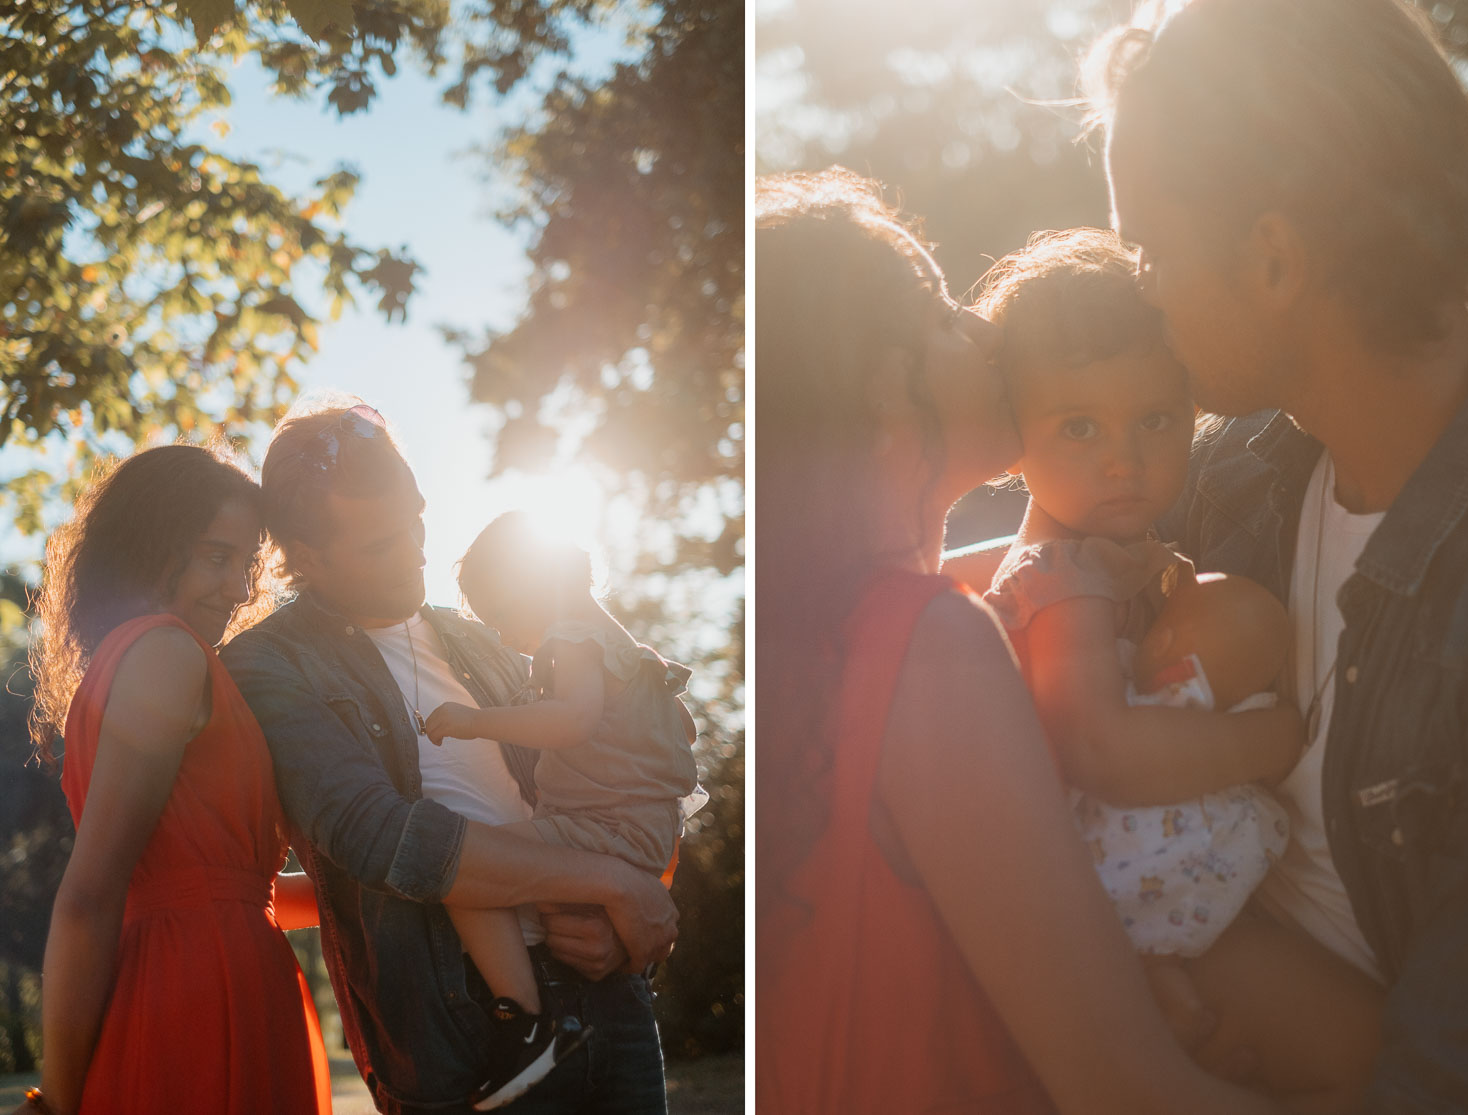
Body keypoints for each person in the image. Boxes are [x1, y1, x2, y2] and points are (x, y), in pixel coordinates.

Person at [755, 166, 1283, 1113]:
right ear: (880, 389)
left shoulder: (861, 622)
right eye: (944, 311)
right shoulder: (929, 644)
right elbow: (1127, 1089)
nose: (986, 330)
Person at [1089, 0, 1468, 1107]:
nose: (1144, 288)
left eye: (1152, 248)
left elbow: (1454, 1075)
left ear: (1273, 257)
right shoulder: (1239, 474)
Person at [978, 228, 1383, 1111]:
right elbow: (1098, 747)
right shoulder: (1064, 578)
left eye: (1154, 419)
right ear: (1014, 439)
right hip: (1131, 902)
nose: (1124, 457)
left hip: (1155, 895)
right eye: (1079, 426)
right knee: (1366, 1054)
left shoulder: (1108, 552)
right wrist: (1262, 740)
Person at [219, 401, 677, 1115]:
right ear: (306, 556)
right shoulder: (268, 665)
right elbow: (382, 836)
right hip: (458, 1038)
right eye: (381, 543)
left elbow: (603, 777)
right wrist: (614, 884)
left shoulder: (486, 636)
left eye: (417, 519)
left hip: (606, 997)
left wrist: (619, 922)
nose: (415, 550)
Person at [18, 444, 330, 1115]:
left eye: (245, 563)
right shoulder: (164, 653)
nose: (240, 587)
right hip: (195, 992)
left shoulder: (152, 658)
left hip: (222, 969)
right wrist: (59, 1103)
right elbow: (91, 893)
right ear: (151, 549)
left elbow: (240, 891)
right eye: (217, 557)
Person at [418, 511, 700, 1108]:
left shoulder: (571, 638)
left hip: (603, 827)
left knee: (461, 868)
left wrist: (473, 722)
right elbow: (684, 728)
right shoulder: (632, 653)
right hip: (646, 832)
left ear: (534, 587)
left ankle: (527, 1025)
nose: (501, 636)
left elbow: (571, 720)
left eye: (500, 616)